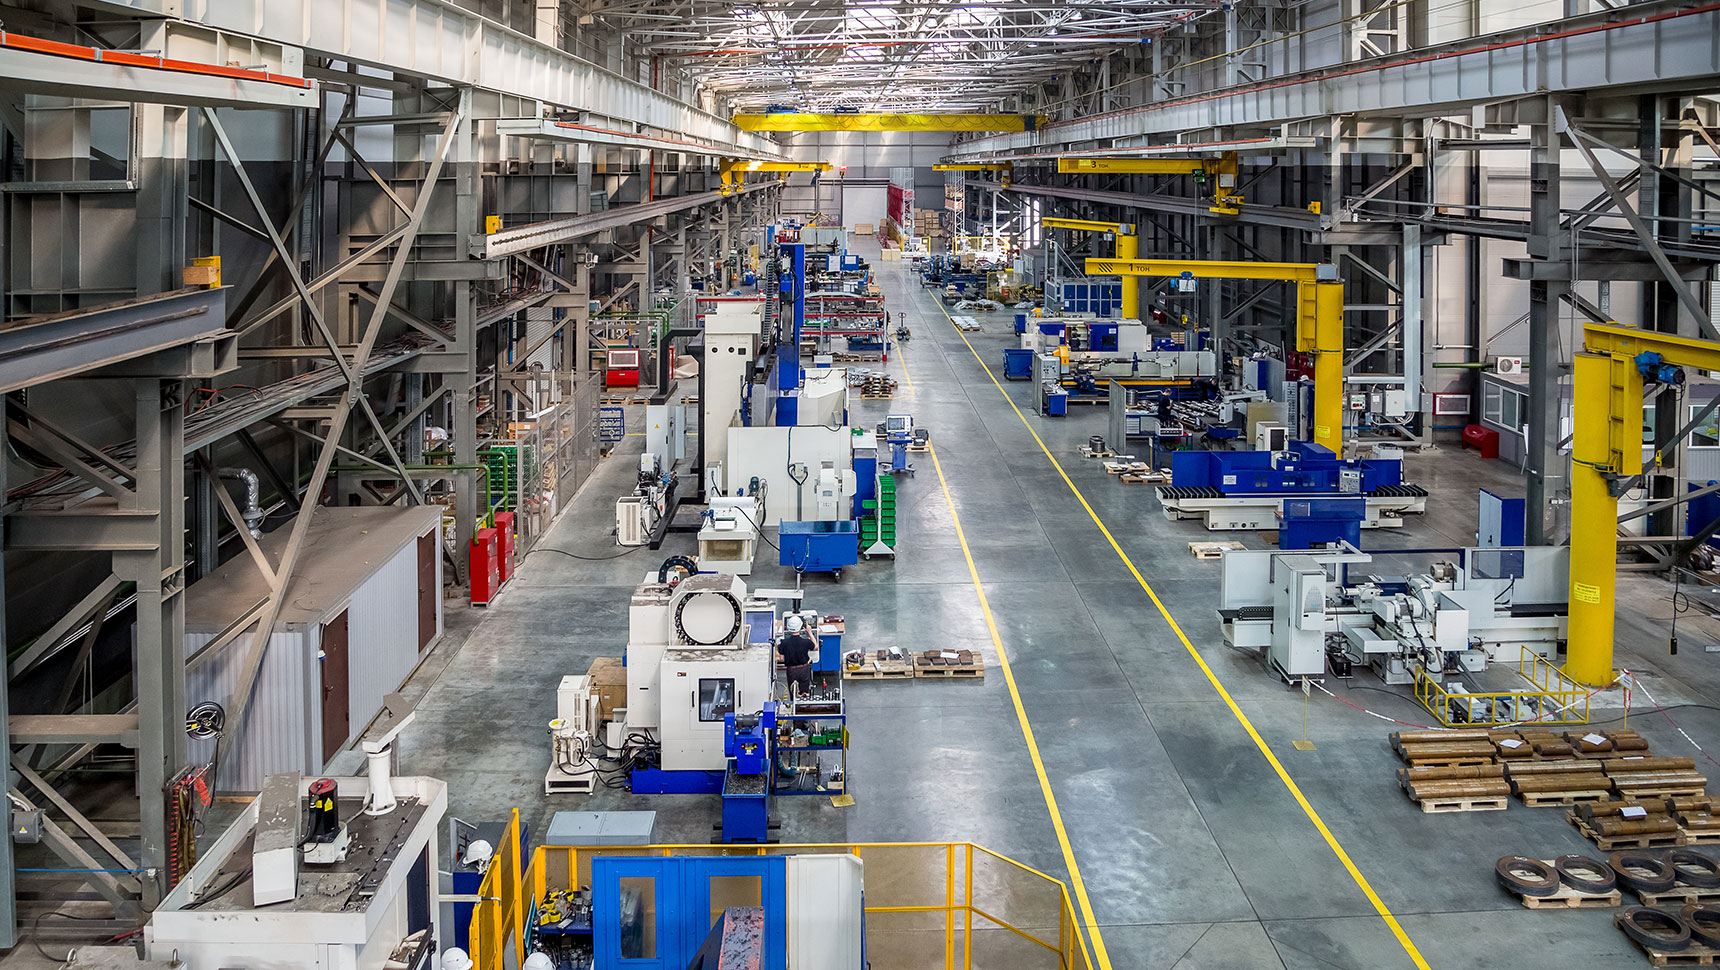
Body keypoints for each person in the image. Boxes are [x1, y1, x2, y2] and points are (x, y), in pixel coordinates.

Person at [777, 614, 816, 699]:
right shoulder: (806, 642)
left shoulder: (783, 643)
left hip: (791, 671)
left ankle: (793, 708)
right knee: (804, 694)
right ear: (800, 626)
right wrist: (809, 631)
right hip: (804, 670)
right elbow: (815, 646)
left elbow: (781, 658)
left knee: (793, 693)